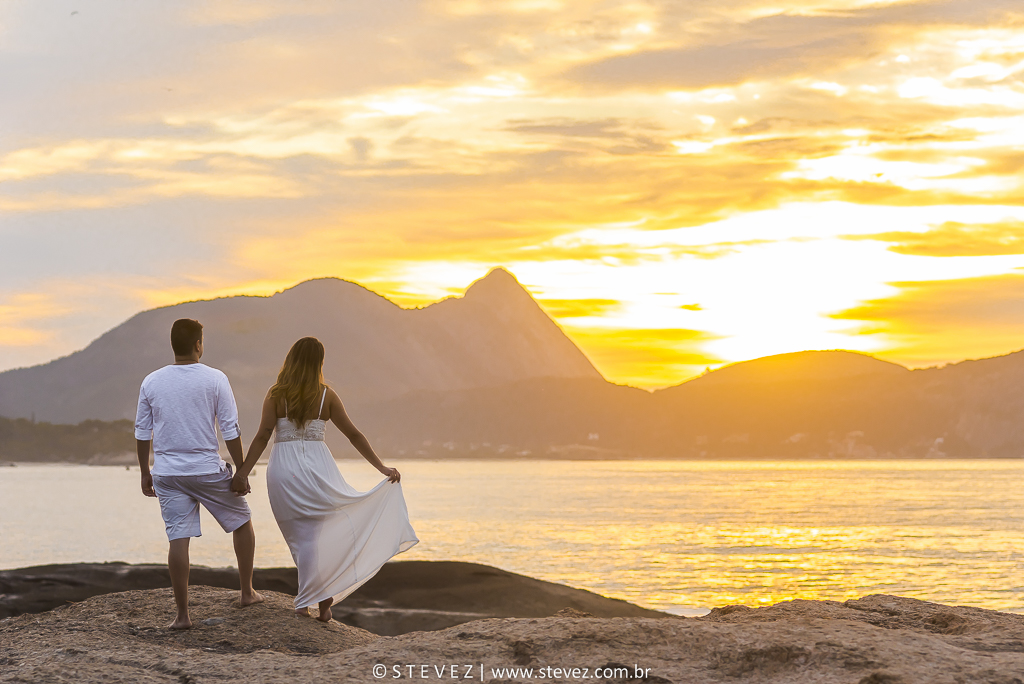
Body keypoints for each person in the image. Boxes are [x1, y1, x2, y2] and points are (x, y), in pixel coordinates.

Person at [231, 336, 418, 622]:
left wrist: (242, 473)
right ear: (319, 362)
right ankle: (321, 602)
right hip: (319, 469)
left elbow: (262, 436)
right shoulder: (326, 395)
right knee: (322, 532)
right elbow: (354, 435)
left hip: (284, 470)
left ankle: (307, 601)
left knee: (300, 538)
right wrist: (381, 468)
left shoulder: (276, 394)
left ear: (290, 360)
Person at [135, 318, 264, 630]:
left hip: (167, 472)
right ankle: (246, 592)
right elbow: (230, 429)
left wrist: (144, 472)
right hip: (206, 470)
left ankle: (182, 616)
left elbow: (142, 432)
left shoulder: (151, 381)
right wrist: (242, 471)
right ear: (198, 345)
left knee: (178, 538)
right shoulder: (215, 379)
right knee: (242, 522)